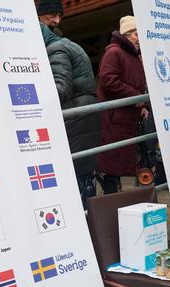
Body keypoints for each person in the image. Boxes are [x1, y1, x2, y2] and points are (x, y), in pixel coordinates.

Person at [40, 22, 100, 207]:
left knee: (73, 175)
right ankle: (90, 220)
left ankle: (82, 221)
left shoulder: (56, 50)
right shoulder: (66, 44)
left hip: (74, 117)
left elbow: (61, 88)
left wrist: (35, 102)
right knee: (84, 173)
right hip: (83, 114)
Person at [96, 15, 148, 194]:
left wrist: (140, 106)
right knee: (112, 164)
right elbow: (108, 80)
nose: (139, 37)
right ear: (126, 35)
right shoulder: (115, 52)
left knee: (118, 162)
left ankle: (115, 199)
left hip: (126, 117)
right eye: (135, 33)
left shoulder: (133, 56)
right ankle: (111, 202)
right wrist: (135, 98)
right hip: (115, 118)